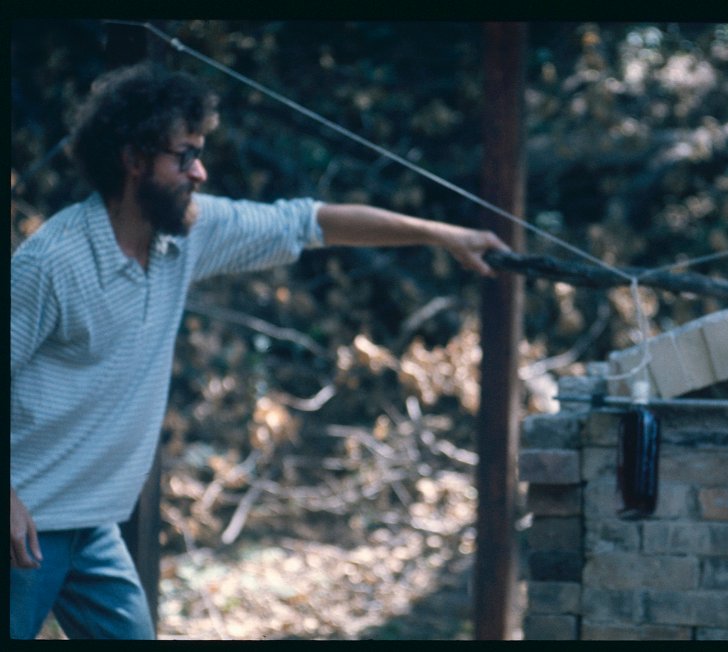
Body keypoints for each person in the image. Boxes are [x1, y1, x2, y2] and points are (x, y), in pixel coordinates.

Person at [9, 62, 509, 640]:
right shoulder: (53, 263)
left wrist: (441, 235)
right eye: (184, 155)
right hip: (26, 523)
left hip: (93, 523)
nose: (200, 171)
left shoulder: (187, 236)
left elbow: (308, 222)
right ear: (133, 158)